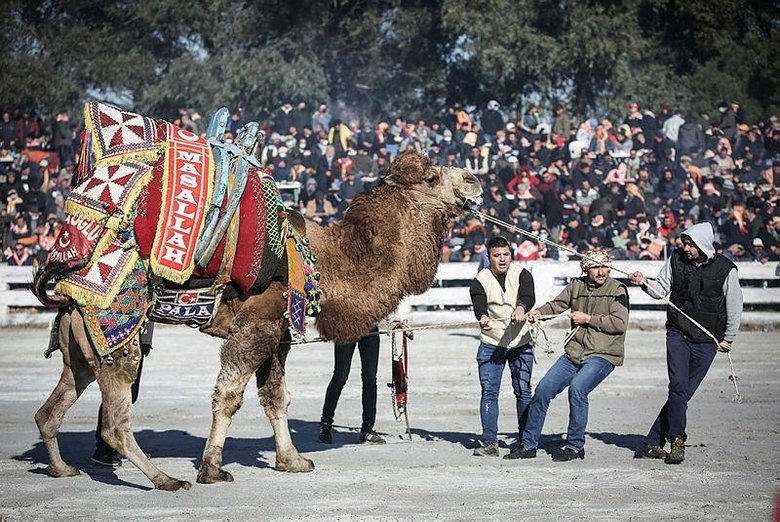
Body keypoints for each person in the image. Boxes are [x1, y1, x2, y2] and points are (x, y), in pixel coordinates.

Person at [629, 222, 743, 464]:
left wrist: (729, 337)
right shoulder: (675, 260)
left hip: (708, 339)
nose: (685, 247)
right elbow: (661, 289)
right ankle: (677, 440)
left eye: (690, 244)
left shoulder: (725, 269)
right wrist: (643, 282)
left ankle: (651, 442)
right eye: (684, 243)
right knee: (678, 385)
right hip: (678, 332)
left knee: (683, 393)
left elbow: (734, 304)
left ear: (702, 244)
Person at [506, 248, 628, 461]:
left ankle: (575, 446)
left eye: (604, 267)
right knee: (543, 390)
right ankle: (528, 444)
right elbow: (557, 305)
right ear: (585, 269)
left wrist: (588, 319)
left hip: (603, 354)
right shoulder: (576, 286)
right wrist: (538, 313)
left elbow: (619, 323)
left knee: (578, 389)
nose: (601, 272)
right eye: (595, 267)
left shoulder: (618, 289)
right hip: (574, 353)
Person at [469, 236, 535, 456]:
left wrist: (521, 307)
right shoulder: (480, 280)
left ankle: (526, 440)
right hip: (491, 343)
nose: (502, 259)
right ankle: (490, 443)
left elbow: (528, 296)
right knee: (489, 393)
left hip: (520, 342)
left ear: (511, 255)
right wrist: (483, 317)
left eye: (506, 254)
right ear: (489, 258)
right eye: (497, 255)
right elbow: (479, 306)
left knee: (523, 391)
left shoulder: (523, 274)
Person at [92, 322, 154, 466]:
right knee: (117, 394)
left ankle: (118, 446)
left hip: (133, 338)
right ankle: (104, 450)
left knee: (127, 395)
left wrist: (145, 341)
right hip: (124, 339)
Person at [318, 326, 386, 445]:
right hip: (346, 327)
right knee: (340, 376)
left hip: (370, 327)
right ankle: (325, 424)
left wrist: (395, 319)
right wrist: (326, 326)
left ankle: (367, 429)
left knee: (370, 378)